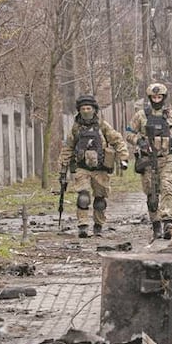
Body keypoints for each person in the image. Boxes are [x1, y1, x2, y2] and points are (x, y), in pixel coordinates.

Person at [126, 82, 172, 244]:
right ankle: (156, 224)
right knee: (152, 194)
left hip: (168, 159)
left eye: (159, 97)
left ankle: (168, 223)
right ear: (150, 98)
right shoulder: (140, 116)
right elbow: (129, 133)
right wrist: (139, 141)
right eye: (154, 97)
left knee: (167, 188)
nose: (156, 100)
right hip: (148, 160)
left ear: (164, 98)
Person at [58, 94, 130, 238]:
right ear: (79, 110)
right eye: (83, 108)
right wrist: (63, 168)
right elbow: (68, 148)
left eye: (88, 108)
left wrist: (123, 158)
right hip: (82, 168)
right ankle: (83, 225)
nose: (86, 111)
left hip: (101, 169)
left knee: (100, 200)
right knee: (83, 197)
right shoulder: (76, 128)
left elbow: (118, 140)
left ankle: (98, 225)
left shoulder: (102, 126)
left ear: (94, 109)